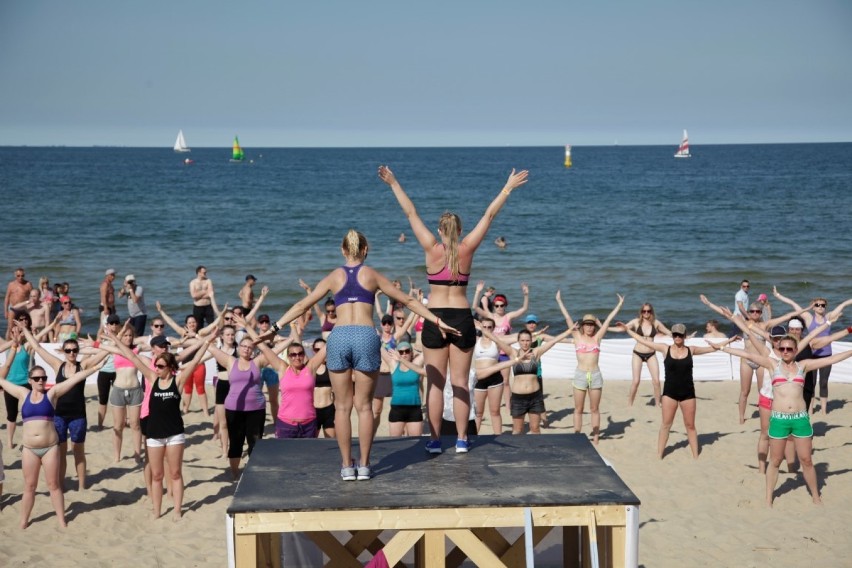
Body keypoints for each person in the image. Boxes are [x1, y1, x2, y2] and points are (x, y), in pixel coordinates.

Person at [258, 229, 460, 480]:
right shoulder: (372, 275)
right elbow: (408, 300)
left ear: (343, 251)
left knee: (342, 407)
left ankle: (346, 466)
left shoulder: (335, 276)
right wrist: (437, 320)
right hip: (365, 335)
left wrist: (275, 329)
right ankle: (364, 465)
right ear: (365, 250)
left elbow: (303, 304)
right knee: (364, 407)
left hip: (339, 336)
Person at [380, 165, 528, 454]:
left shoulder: (429, 246)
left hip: (434, 317)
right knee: (461, 382)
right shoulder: (467, 247)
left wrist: (394, 182)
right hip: (461, 317)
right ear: (460, 231)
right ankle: (461, 439)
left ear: (438, 230)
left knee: (436, 385)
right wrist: (507, 187)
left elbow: (410, 213)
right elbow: (489, 215)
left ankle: (434, 440)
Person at [713, 336, 852, 506]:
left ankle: (816, 496)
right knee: (776, 461)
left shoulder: (804, 365)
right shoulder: (772, 364)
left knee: (806, 460)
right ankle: (768, 498)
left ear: (795, 351)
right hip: (779, 419)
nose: (785, 351)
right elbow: (747, 355)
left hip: (800, 419)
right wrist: (721, 348)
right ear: (778, 350)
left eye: (789, 349)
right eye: (782, 349)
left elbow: (831, 359)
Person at [104, 327, 211, 519]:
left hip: (175, 434)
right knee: (157, 475)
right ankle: (157, 511)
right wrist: (115, 338)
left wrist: (209, 340)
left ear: (170, 368)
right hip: (154, 434)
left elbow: (195, 360)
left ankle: (177, 510)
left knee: (176, 473)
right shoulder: (152, 379)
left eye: (161, 366)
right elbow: (133, 357)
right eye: (157, 366)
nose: (157, 369)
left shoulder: (177, 381)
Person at [0, 343, 103, 528]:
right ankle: (24, 520)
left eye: (43, 378)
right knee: (29, 487)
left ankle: (62, 519)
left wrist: (93, 369)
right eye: (37, 378)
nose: (41, 381)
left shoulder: (52, 394)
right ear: (30, 380)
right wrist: (12, 351)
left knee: (54, 485)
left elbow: (74, 379)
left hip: (50, 448)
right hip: (29, 449)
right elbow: (3, 381)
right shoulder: (23, 394)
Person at [618, 322, 729, 458]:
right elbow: (643, 341)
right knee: (666, 425)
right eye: (675, 334)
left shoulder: (691, 350)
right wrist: (627, 330)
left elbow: (712, 349)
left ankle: (695, 456)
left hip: (688, 393)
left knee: (690, 425)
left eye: (680, 335)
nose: (677, 337)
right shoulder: (665, 349)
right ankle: (659, 455)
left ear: (684, 335)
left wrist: (730, 340)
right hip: (669, 393)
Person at [20, 323, 107, 491]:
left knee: (78, 452)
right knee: (60, 452)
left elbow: (106, 352)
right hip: (58, 415)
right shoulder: (57, 364)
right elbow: (37, 347)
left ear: (78, 351)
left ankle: (82, 486)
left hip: (78, 415)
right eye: (68, 350)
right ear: (63, 351)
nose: (72, 353)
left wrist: (101, 341)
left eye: (74, 350)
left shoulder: (84, 365)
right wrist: (25, 331)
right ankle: (61, 485)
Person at [700, 294, 812, 424]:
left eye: (758, 311)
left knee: (763, 391)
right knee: (744, 391)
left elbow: (787, 316)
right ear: (748, 312)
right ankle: (741, 417)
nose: (755, 313)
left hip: (761, 361)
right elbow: (726, 314)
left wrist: (805, 309)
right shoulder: (745, 323)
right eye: (752, 311)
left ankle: (765, 415)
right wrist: (709, 304)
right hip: (747, 360)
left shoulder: (766, 325)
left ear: (761, 313)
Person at [556, 290, 624, 445]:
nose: (589, 327)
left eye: (592, 325)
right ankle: (577, 435)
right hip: (580, 374)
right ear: (582, 325)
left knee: (594, 408)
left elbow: (608, 321)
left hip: (595, 375)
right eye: (587, 324)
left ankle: (595, 436)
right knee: (578, 408)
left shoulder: (597, 338)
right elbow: (567, 318)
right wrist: (559, 301)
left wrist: (619, 305)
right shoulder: (577, 336)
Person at [772, 288, 852, 415]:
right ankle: (809, 410)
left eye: (822, 305)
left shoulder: (829, 317)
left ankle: (824, 411)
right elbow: (794, 305)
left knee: (824, 383)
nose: (820, 307)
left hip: (825, 352)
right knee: (811, 383)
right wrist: (779, 295)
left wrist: (848, 329)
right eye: (817, 305)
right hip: (811, 355)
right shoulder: (808, 317)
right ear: (813, 307)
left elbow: (843, 305)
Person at [0, 312, 55, 447]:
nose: (16, 332)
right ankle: (9, 442)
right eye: (14, 330)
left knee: (29, 413)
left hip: (25, 383)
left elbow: (39, 337)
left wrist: (53, 324)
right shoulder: (8, 346)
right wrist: (14, 341)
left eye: (18, 330)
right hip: (11, 384)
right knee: (11, 415)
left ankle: (30, 437)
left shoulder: (27, 347)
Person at [505, 327, 572, 435]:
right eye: (522, 340)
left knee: (535, 428)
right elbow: (498, 340)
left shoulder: (536, 352)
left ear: (532, 341)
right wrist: (484, 331)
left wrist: (568, 332)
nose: (525, 343)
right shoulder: (513, 353)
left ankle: (536, 451)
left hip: (535, 397)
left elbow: (554, 341)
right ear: (518, 341)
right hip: (518, 398)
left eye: (527, 340)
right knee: (517, 430)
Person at [474, 283, 530, 410]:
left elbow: (524, 309)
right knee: (488, 380)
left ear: (505, 305)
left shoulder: (508, 317)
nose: (499, 307)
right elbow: (475, 307)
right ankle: (492, 403)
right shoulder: (490, 316)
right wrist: (478, 292)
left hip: (504, 353)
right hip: (492, 353)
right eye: (497, 305)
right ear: (493, 306)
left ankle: (509, 406)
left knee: (505, 382)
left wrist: (526, 295)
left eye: (502, 305)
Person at [611, 303, 672, 407]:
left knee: (656, 381)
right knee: (636, 381)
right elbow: (622, 329)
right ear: (641, 312)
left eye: (648, 311)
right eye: (644, 311)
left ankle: (658, 404)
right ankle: (630, 404)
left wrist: (684, 336)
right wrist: (604, 328)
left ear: (651, 312)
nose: (646, 313)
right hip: (637, 354)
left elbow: (669, 332)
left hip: (651, 354)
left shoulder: (656, 323)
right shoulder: (636, 322)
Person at [380, 342, 427, 437]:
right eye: (401, 352)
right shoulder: (393, 365)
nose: (404, 354)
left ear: (411, 353)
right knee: (395, 444)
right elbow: (380, 348)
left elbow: (429, 349)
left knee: (416, 442)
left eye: (407, 351)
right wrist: (375, 335)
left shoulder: (416, 364)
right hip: (397, 409)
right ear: (397, 353)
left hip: (414, 409)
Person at [310, 338, 336, 438]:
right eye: (317, 349)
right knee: (312, 442)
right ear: (313, 351)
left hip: (329, 410)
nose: (320, 352)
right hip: (313, 410)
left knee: (331, 442)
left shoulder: (332, 367)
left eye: (323, 349)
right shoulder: (309, 367)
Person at [5, 267, 33, 338]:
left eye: (22, 276)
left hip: (24, 308)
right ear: (15, 275)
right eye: (18, 276)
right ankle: (8, 342)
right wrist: (5, 311)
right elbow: (7, 298)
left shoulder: (28, 284)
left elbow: (33, 296)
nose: (20, 277)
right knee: (10, 327)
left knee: (26, 326)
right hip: (13, 308)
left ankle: (25, 340)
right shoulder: (11, 284)